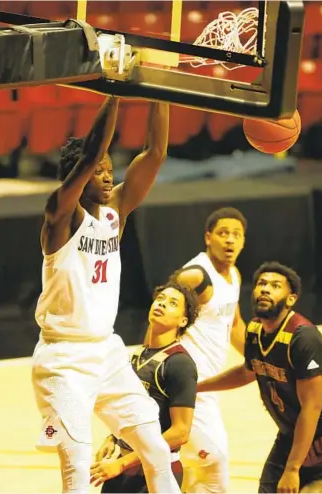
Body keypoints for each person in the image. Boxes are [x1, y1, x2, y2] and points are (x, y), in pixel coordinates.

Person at [31, 97, 181, 494]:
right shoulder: (60, 217)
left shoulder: (115, 212)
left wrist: (161, 91)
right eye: (98, 171)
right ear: (77, 177)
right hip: (64, 360)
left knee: (156, 450)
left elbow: (156, 152)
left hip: (107, 353)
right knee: (78, 471)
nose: (107, 176)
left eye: (110, 170)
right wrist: (114, 93)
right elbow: (92, 151)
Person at [198, 261, 322, 493]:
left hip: (320, 438)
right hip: (290, 435)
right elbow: (248, 371)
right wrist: (198, 388)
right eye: (261, 284)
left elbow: (312, 407)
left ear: (291, 299)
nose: (265, 289)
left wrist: (293, 468)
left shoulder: (303, 338)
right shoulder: (255, 330)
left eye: (275, 286)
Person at [90, 280, 200, 492]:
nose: (162, 304)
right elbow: (127, 409)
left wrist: (122, 462)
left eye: (172, 303)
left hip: (156, 470)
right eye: (160, 299)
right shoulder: (137, 356)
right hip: (123, 467)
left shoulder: (180, 364)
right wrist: (113, 438)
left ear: (183, 320)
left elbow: (180, 432)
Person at [167, 207, 247, 493]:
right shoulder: (196, 276)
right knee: (214, 462)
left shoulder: (233, 275)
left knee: (193, 476)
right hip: (188, 389)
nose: (229, 240)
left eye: (236, 235)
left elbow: (235, 324)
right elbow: (161, 316)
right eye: (223, 233)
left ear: (243, 242)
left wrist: (261, 357)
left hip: (210, 389)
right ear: (208, 237)